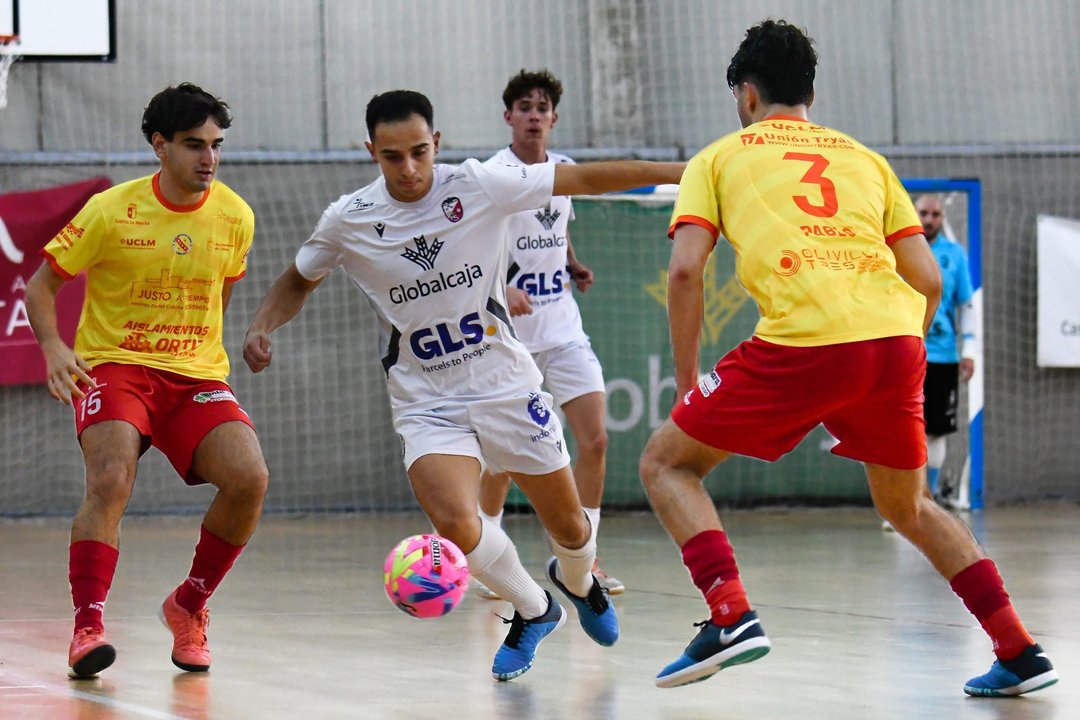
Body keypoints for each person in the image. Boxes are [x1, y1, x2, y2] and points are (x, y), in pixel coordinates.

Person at [638, 20, 1057, 698]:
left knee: (665, 462)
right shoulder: (866, 160)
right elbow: (929, 280)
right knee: (911, 506)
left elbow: (685, 273)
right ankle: (1018, 647)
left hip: (806, 340)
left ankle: (730, 614)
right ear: (810, 89)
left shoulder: (718, 159)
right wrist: (892, 361)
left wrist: (689, 385)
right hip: (895, 341)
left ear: (747, 96)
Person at [242, 90, 682, 681]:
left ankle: (573, 580)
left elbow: (588, 177)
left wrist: (689, 172)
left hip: (504, 384)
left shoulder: (479, 185)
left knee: (571, 529)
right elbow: (299, 278)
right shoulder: (348, 218)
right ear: (371, 151)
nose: (409, 169)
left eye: (419, 152)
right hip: (427, 398)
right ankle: (534, 608)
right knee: (454, 520)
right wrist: (263, 324)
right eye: (392, 156)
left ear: (437, 144)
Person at [26, 83, 269, 679]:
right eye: (193, 145)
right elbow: (41, 287)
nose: (208, 158)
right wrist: (55, 347)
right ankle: (87, 627)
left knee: (249, 478)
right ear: (160, 146)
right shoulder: (111, 210)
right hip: (116, 366)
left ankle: (188, 606)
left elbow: (221, 293)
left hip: (194, 376)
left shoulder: (236, 215)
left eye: (215, 145)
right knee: (110, 479)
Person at [470, 69, 622, 602]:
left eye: (543, 107)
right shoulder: (493, 175)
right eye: (524, 106)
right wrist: (504, 283)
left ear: (554, 118)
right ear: (508, 117)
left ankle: (581, 560)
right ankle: (488, 553)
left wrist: (572, 264)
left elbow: (558, 230)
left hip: (563, 329)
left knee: (595, 440)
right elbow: (472, 245)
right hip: (511, 336)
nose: (534, 115)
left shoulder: (565, 172)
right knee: (503, 458)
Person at [915, 194, 977, 506]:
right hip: (905, 356)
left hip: (942, 357)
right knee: (902, 432)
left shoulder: (955, 255)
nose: (929, 220)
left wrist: (970, 350)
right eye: (923, 213)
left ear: (942, 218)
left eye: (935, 214)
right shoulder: (895, 252)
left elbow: (966, 304)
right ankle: (903, 504)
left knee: (936, 431)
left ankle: (926, 502)